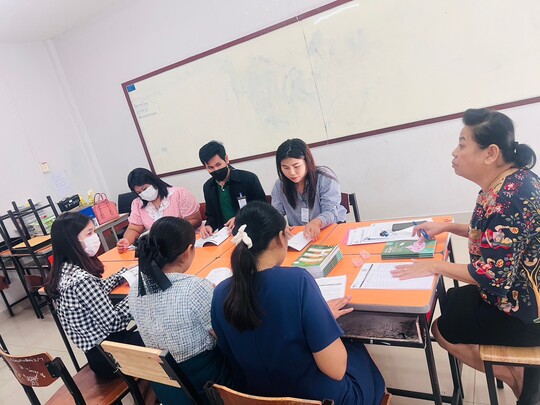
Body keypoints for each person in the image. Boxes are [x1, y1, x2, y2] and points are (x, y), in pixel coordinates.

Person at [391, 108, 540, 403]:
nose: (454, 152)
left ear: (490, 153)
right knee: (451, 300)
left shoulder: (507, 201)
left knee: (440, 329)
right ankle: (521, 375)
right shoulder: (510, 182)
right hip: (518, 294)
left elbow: (493, 277)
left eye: (462, 144)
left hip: (524, 313)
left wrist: (435, 266)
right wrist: (447, 226)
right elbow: (494, 237)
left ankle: (517, 378)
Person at [211, 201, 385, 404]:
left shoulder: (221, 292)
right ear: (279, 238)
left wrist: (318, 316)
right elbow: (336, 370)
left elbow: (233, 357)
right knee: (357, 351)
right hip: (315, 398)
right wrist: (323, 319)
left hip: (257, 397)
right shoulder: (297, 281)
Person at [128, 216, 233, 404]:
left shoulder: (137, 287)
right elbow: (224, 338)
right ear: (188, 251)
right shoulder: (195, 288)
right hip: (206, 386)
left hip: (166, 387)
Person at [44, 212, 143, 378]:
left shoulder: (63, 271)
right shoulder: (82, 280)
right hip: (111, 357)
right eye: (89, 233)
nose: (95, 237)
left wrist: (123, 275)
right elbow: (114, 323)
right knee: (160, 338)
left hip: (97, 355)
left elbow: (96, 291)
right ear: (72, 241)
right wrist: (137, 295)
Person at [271, 138, 346, 240]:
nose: (292, 172)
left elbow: (330, 211)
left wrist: (317, 222)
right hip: (300, 237)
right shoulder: (279, 186)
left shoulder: (324, 178)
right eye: (285, 168)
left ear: (307, 161)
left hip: (329, 230)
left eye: (296, 166)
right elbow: (275, 214)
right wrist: (280, 226)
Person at [117, 168, 201, 252]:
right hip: (160, 249)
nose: (143, 193)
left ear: (153, 182)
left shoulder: (179, 194)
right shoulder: (138, 204)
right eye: (139, 193)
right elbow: (133, 229)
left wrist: (173, 231)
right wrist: (127, 240)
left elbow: (196, 220)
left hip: (185, 242)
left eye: (145, 189)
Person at [198, 141, 266, 238]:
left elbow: (262, 208)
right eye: (210, 167)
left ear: (226, 159)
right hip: (225, 236)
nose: (216, 170)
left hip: (252, 232)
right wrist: (208, 226)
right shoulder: (208, 187)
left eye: (218, 164)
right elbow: (211, 216)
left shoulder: (248, 179)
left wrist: (240, 218)